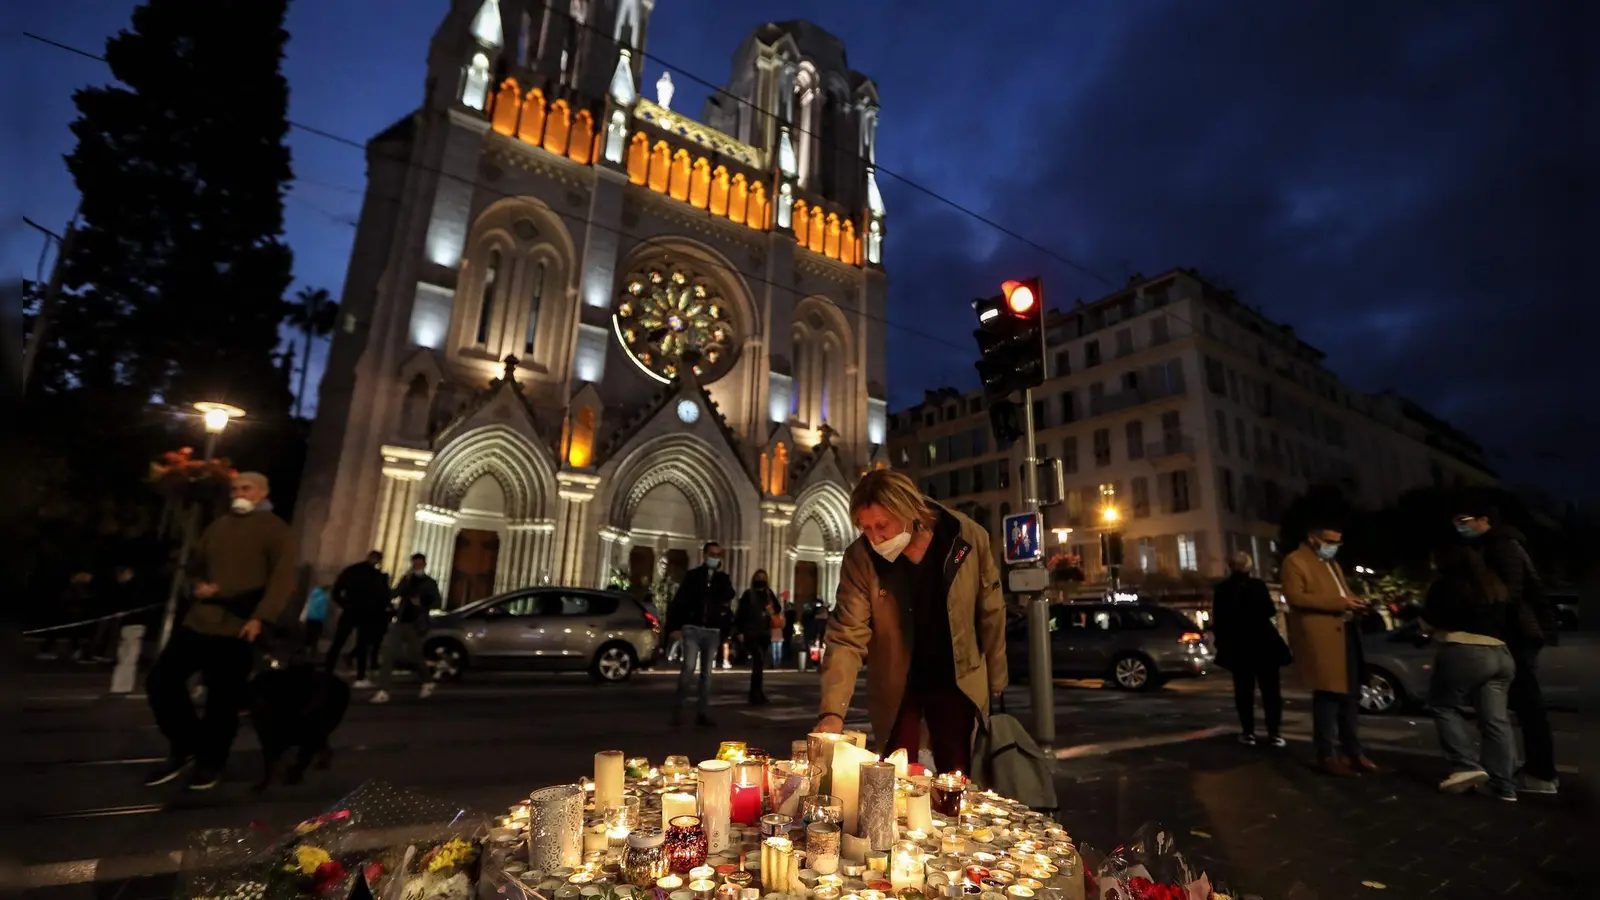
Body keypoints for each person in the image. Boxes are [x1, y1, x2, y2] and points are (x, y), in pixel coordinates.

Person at [816, 469, 1007, 775]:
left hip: (955, 680)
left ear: (908, 510)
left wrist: (996, 679)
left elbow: (991, 611)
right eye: (865, 528)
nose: (875, 538)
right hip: (897, 684)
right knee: (898, 777)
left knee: (955, 776)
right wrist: (832, 711)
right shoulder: (861, 558)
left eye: (882, 526)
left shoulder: (964, 536)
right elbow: (846, 635)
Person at [145, 472, 297, 790]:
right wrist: (197, 584)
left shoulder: (276, 530)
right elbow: (196, 565)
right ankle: (186, 743)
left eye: (246, 488)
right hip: (199, 619)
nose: (238, 493)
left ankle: (211, 761)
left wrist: (260, 618)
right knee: (161, 680)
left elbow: (283, 580)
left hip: (238, 626)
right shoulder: (218, 525)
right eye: (234, 489)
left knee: (222, 700)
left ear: (262, 492)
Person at [1453, 500, 1559, 795]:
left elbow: (1509, 595)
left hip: (1516, 634)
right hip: (1518, 634)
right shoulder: (1500, 544)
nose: (1459, 526)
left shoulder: (1501, 546)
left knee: (1525, 707)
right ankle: (1532, 772)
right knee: (1521, 707)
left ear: (1484, 519)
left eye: (1464, 519)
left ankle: (1539, 774)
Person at [1282, 522, 1380, 778]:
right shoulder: (1295, 561)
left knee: (1350, 696)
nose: (1334, 546)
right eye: (1330, 540)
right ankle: (1327, 754)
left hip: (1345, 634)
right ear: (1313, 538)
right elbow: (1296, 597)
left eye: (1338, 541)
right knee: (1328, 697)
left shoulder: (1331, 564)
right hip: (1322, 638)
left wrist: (1356, 603)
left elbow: (1342, 594)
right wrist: (1340, 603)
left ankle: (1352, 751)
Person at [1420, 543, 1517, 800]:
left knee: (1442, 705)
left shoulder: (1447, 584)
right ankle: (1504, 784)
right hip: (1501, 653)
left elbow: (1429, 619)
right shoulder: (1492, 583)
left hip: (1464, 649)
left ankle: (1466, 765)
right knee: (1495, 720)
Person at [1212, 552, 1292, 748]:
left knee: (1244, 692)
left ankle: (1248, 732)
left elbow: (1219, 620)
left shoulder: (1223, 589)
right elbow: (1269, 611)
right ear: (1250, 567)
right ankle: (1274, 732)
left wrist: (1222, 643)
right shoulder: (1258, 586)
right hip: (1263, 643)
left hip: (1239, 645)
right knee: (1271, 691)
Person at [665, 541, 735, 726]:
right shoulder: (693, 576)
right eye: (712, 554)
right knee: (688, 669)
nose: (715, 558)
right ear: (704, 555)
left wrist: (720, 575)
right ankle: (678, 710)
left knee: (707, 673)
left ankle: (701, 713)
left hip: (712, 631)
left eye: (718, 555)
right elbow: (679, 602)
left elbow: (729, 596)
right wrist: (674, 627)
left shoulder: (722, 579)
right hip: (693, 628)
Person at [371, 553, 442, 704]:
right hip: (401, 622)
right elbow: (394, 594)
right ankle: (383, 690)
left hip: (416, 625)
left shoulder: (430, 583)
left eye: (419, 564)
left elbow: (437, 602)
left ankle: (428, 681)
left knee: (415, 656)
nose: (416, 567)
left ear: (424, 564)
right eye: (414, 564)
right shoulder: (407, 579)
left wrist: (422, 602)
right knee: (388, 654)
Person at [324, 550, 391, 687]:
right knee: (361, 645)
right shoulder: (376, 576)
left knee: (339, 642)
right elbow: (383, 596)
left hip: (352, 610)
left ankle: (328, 670)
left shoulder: (352, 571)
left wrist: (344, 604)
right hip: (366, 613)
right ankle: (360, 676)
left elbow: (337, 590)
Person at [734, 569, 780, 705]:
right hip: (751, 632)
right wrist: (739, 632)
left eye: (763, 577)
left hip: (764, 633)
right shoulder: (748, 595)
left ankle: (757, 692)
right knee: (758, 660)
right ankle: (754, 693)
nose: (761, 580)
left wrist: (771, 606)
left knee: (759, 664)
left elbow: (777, 609)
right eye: (758, 577)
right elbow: (741, 614)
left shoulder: (768, 594)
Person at [301, 581, 330, 655]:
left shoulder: (313, 595)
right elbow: (322, 610)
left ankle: (306, 650)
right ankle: (312, 652)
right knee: (315, 636)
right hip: (317, 619)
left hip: (309, 618)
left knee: (308, 635)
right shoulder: (323, 598)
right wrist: (323, 617)